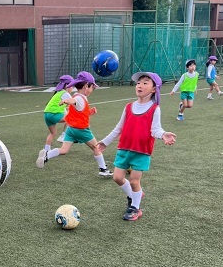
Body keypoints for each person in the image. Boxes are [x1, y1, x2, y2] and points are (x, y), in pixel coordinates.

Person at [97, 72, 176, 221]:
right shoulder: (128, 107)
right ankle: (134, 195)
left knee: (134, 181)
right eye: (139, 82)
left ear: (154, 89)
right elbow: (119, 128)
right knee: (117, 178)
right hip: (124, 149)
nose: (140, 85)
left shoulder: (154, 108)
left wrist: (163, 134)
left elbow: (155, 129)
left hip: (142, 151)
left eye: (145, 83)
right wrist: (105, 142)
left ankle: (135, 207)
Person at [36, 71, 113, 176]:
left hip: (71, 130)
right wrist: (66, 101)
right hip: (82, 130)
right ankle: (103, 169)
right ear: (86, 86)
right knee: (96, 147)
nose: (92, 90)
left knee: (63, 150)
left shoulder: (78, 96)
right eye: (92, 87)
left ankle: (46, 156)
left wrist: (90, 112)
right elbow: (74, 101)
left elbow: (79, 111)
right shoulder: (79, 98)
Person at [40, 75, 73, 152]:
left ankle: (46, 150)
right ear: (67, 85)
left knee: (53, 133)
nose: (72, 88)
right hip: (54, 114)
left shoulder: (58, 93)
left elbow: (64, 108)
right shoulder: (65, 94)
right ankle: (63, 135)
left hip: (46, 115)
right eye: (72, 86)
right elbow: (73, 104)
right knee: (71, 117)